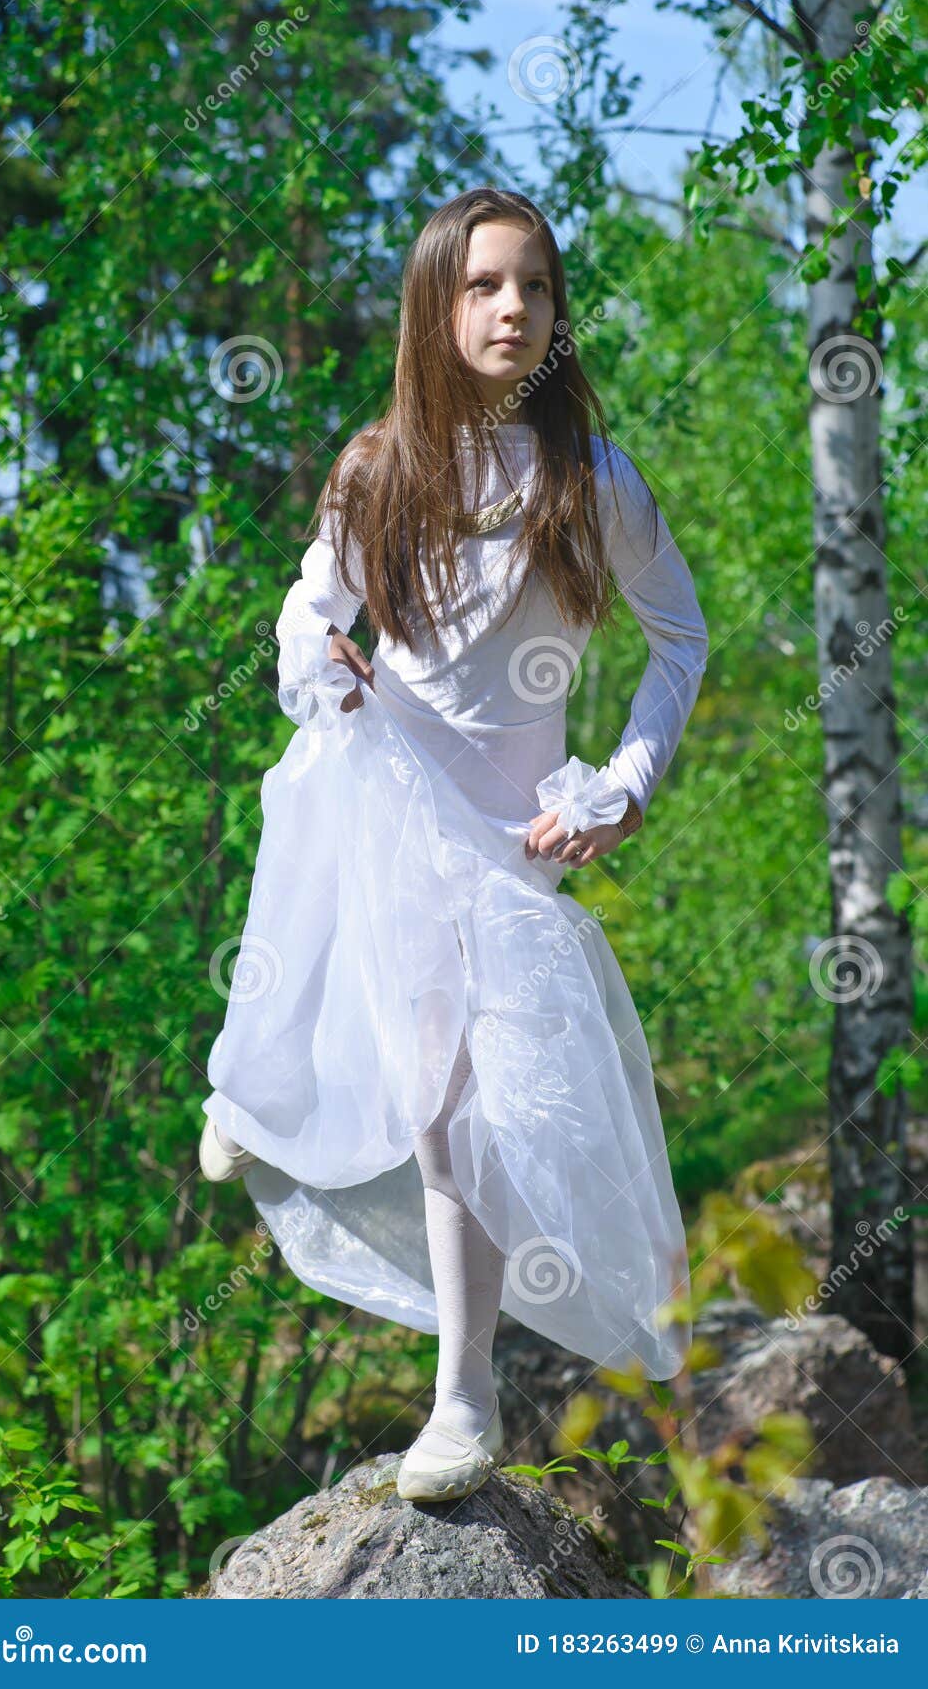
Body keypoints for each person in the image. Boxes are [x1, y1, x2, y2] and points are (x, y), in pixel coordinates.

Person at [198, 187, 709, 1506]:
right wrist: (326, 669)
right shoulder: (378, 470)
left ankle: (269, 1106)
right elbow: (305, 617)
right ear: (437, 307)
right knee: (436, 1098)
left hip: (513, 834)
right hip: (391, 806)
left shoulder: (593, 482)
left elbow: (680, 641)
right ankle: (459, 1394)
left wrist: (620, 780)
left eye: (534, 287)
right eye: (484, 286)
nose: (511, 309)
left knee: (490, 1104)